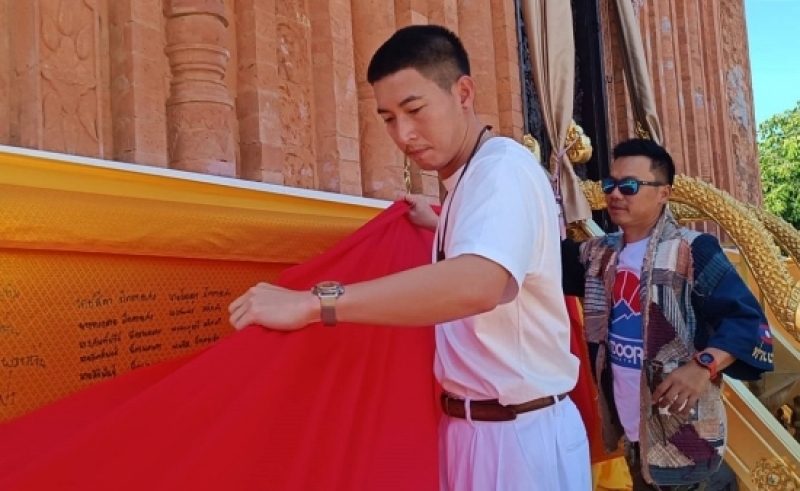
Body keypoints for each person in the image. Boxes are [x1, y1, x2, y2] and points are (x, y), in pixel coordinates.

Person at [228, 24, 592, 491]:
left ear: (463, 93)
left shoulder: (501, 170)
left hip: (516, 442)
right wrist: (438, 222)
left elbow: (477, 283)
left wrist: (316, 303)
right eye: (388, 118)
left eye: (415, 110)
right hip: (479, 430)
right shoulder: (470, 180)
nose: (403, 134)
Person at [561, 138, 775, 490]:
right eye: (610, 184)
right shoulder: (598, 254)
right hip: (633, 432)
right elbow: (541, 257)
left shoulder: (693, 250)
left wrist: (703, 365)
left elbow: (748, 322)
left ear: (664, 193)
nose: (616, 194)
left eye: (630, 186)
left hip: (683, 439)